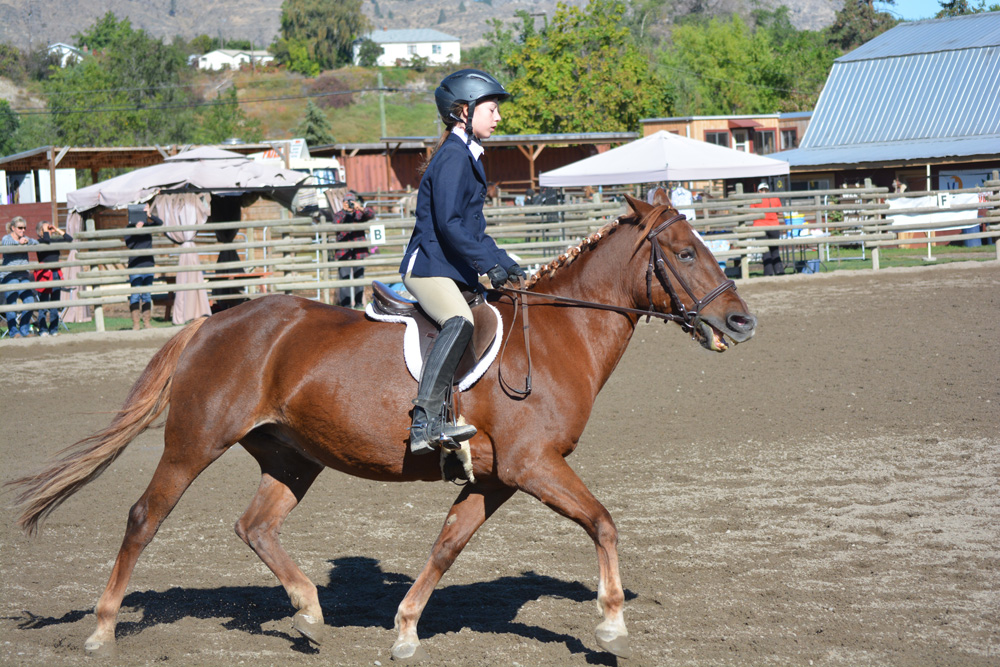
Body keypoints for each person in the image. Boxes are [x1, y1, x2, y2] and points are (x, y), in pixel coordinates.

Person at [398, 69, 526, 455]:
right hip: (429, 267)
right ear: (463, 112)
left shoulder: (466, 156)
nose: (498, 116)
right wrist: (486, 264)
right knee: (460, 321)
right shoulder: (453, 158)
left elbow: (474, 231)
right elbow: (451, 226)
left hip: (450, 266)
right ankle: (426, 421)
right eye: (491, 108)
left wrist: (504, 261)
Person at [332, 191, 375, 308]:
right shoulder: (339, 214)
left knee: (359, 278)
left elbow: (371, 214)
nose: (349, 204)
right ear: (343, 203)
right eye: (347, 202)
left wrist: (359, 208)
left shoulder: (359, 214)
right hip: (343, 252)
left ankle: (359, 303)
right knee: (344, 280)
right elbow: (335, 223)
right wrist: (345, 212)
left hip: (358, 252)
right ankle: (345, 305)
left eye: (351, 202)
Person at [124, 203, 163, 330]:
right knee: (135, 295)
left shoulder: (148, 225)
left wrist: (149, 215)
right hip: (135, 265)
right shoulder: (128, 228)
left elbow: (160, 223)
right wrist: (136, 230)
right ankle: (136, 323)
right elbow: (129, 244)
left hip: (148, 264)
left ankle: (146, 322)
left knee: (146, 294)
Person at [2, 217, 40, 338]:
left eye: (24, 228)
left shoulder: (25, 238)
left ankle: (24, 330)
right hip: (10, 275)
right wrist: (19, 243)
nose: (22, 230)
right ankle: (14, 332)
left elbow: (36, 243)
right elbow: (5, 243)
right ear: (13, 228)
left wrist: (27, 241)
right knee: (12, 304)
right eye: (20, 228)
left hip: (23, 276)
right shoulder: (7, 238)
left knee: (29, 302)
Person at [33, 220, 73, 336]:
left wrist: (57, 230)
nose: (49, 232)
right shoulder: (38, 242)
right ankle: (43, 330)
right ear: (40, 232)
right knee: (43, 304)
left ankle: (53, 329)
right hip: (43, 274)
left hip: (55, 273)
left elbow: (69, 239)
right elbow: (46, 241)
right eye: (46, 230)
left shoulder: (54, 241)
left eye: (49, 229)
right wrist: (45, 230)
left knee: (55, 303)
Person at [750, 181, 784, 276]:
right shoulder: (775, 198)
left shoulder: (755, 199)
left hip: (760, 227)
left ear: (758, 191)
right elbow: (780, 212)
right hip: (773, 226)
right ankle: (779, 271)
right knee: (775, 250)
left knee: (765, 251)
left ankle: (768, 273)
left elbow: (751, 213)